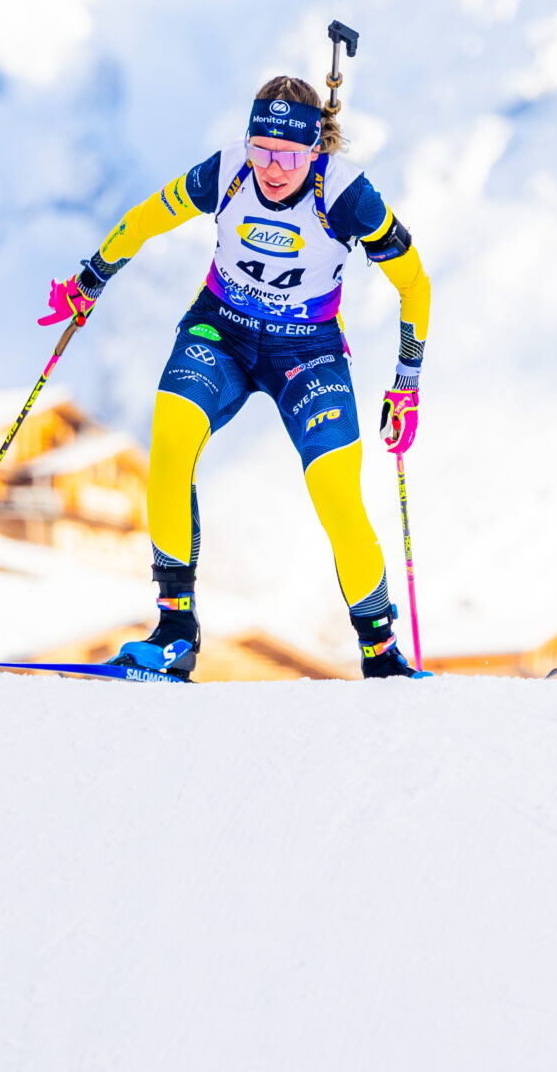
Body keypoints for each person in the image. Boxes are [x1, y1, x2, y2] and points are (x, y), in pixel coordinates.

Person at [43, 71, 429, 680]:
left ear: (315, 149)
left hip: (308, 350)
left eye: (289, 155)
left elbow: (414, 284)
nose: (272, 168)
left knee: (336, 493)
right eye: (260, 149)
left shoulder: (348, 196)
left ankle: (381, 655)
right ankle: (175, 633)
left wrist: (406, 382)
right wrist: (91, 278)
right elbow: (146, 219)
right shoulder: (226, 172)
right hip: (220, 329)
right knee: (170, 445)